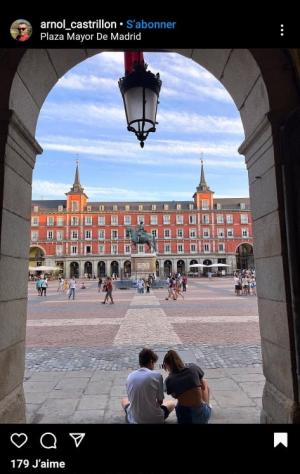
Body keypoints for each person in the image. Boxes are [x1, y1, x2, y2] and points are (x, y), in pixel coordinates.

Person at [121, 348, 176, 424]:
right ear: (151, 361)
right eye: (154, 363)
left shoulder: (130, 376)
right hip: (155, 419)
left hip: (134, 420)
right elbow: (160, 401)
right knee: (171, 403)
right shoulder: (157, 376)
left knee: (124, 400)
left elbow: (131, 399)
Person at [163, 350, 211, 424]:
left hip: (184, 418)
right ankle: (207, 406)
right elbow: (203, 387)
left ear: (167, 365)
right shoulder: (193, 368)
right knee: (204, 382)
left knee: (179, 401)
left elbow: (175, 396)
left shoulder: (169, 380)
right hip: (201, 416)